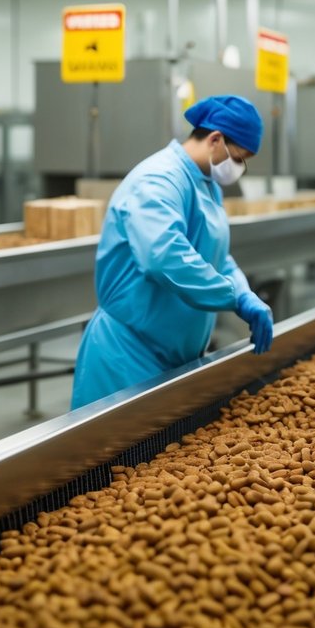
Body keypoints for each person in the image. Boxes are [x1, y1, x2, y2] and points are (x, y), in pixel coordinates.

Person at [70, 95, 274, 409]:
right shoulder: (159, 181)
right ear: (215, 140)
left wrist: (245, 292)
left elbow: (216, 256)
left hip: (174, 358)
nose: (240, 168)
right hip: (128, 356)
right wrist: (232, 296)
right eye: (238, 158)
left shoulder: (207, 185)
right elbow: (164, 258)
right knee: (118, 457)